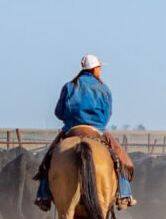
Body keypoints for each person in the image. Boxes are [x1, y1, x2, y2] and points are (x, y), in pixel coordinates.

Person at [34, 54, 134, 209]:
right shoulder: (103, 88)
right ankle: (124, 195)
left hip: (71, 129)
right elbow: (107, 114)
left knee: (48, 159)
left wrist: (72, 119)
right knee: (119, 158)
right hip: (97, 129)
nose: (100, 70)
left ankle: (44, 195)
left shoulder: (69, 86)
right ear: (94, 68)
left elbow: (59, 112)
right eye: (99, 67)